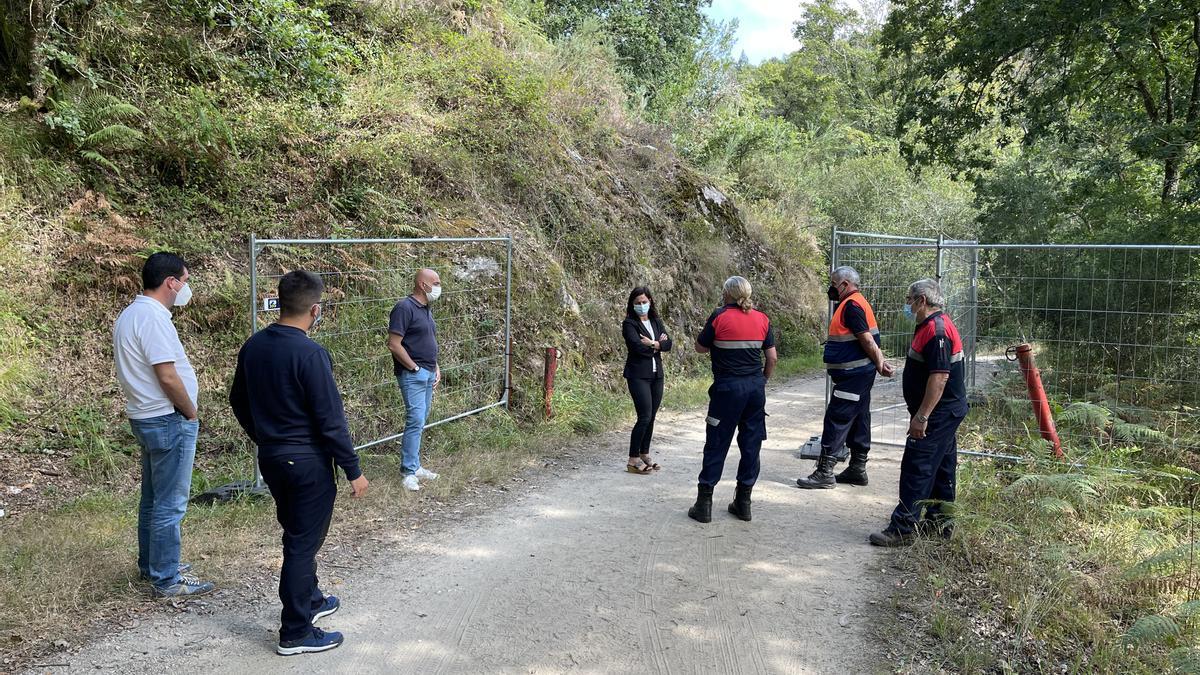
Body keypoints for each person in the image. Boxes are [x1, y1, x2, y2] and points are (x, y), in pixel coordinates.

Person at [230, 270, 370, 655]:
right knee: (301, 545)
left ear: (280, 302)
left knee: (296, 533)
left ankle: (310, 600)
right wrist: (353, 469)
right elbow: (330, 420)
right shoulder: (310, 353)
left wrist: (265, 437)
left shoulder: (254, 346)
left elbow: (237, 400)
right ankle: (295, 631)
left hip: (273, 459)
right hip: (307, 464)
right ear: (315, 309)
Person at [113, 252, 214, 598]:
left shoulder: (130, 314)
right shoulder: (153, 318)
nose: (186, 288)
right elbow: (167, 375)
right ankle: (166, 578)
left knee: (153, 499)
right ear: (171, 282)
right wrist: (190, 411)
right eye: (184, 281)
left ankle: (153, 564)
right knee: (170, 502)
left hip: (145, 416)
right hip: (167, 418)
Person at [870, 279, 968, 547]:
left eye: (909, 299)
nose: (907, 304)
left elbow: (939, 378)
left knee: (917, 466)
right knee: (942, 467)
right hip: (945, 411)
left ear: (921, 300)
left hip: (938, 413)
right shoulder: (931, 326)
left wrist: (921, 417)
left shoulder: (937, 331)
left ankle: (902, 527)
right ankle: (940, 524)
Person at [688, 276, 778, 523]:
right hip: (754, 390)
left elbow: (700, 347)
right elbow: (772, 358)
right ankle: (743, 502)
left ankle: (704, 504)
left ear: (727, 293)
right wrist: (762, 382)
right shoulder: (762, 319)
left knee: (717, 442)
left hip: (726, 390)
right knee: (751, 445)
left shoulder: (719, 316)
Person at [797, 266, 894, 489]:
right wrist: (878, 361)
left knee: (837, 417)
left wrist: (880, 363)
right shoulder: (858, 302)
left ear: (845, 285)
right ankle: (857, 469)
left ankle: (824, 472)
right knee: (860, 418)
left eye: (833, 284)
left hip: (853, 375)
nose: (831, 288)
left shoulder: (851, 305)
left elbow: (867, 340)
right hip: (859, 373)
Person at [387, 268, 443, 491]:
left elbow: (427, 340)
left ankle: (415, 466)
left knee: (420, 420)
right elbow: (394, 344)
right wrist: (414, 368)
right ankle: (409, 471)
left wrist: (435, 367)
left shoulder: (425, 309)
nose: (439, 287)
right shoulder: (404, 307)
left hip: (428, 372)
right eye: (436, 282)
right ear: (423, 284)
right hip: (414, 375)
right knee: (415, 420)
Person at [621, 286, 672, 474]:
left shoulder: (656, 321)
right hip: (638, 375)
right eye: (638, 303)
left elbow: (669, 344)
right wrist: (659, 344)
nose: (642, 305)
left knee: (652, 417)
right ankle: (633, 459)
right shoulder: (629, 324)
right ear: (632, 305)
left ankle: (645, 453)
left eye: (644, 302)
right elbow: (636, 347)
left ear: (650, 302)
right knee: (644, 416)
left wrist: (653, 343)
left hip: (656, 375)